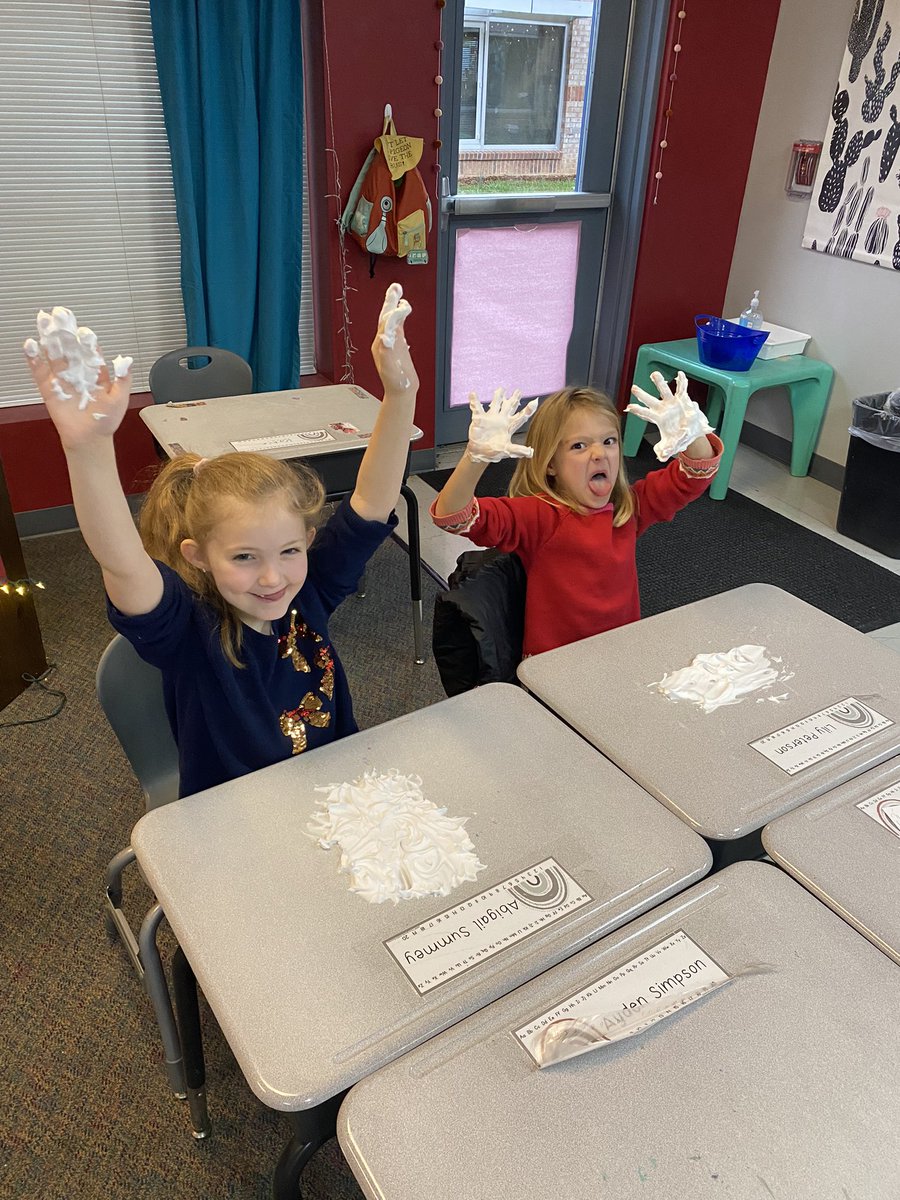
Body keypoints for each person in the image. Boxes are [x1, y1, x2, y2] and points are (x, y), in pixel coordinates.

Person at [25, 285, 418, 797]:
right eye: (244, 557)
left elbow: (371, 498)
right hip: (234, 815)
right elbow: (122, 562)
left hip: (333, 786)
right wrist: (88, 448)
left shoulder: (310, 593)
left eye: (289, 552)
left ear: (308, 541)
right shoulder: (189, 630)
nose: (274, 577)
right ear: (199, 556)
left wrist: (401, 391)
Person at [430, 373, 723, 659]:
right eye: (579, 446)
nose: (599, 453)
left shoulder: (628, 509)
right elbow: (453, 515)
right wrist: (475, 458)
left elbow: (696, 473)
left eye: (609, 441)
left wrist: (692, 432)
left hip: (621, 656)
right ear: (550, 464)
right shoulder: (539, 516)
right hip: (555, 671)